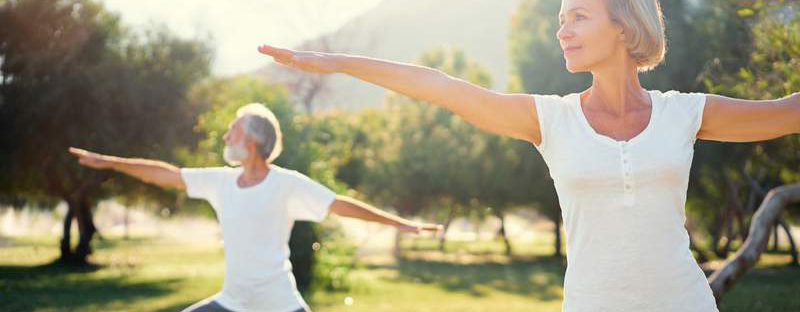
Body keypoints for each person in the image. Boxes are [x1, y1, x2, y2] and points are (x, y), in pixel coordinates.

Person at [256, 0, 799, 310]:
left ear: (623, 24)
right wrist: (337, 62)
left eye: (578, 16)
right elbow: (439, 86)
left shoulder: (685, 113)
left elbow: (787, 110)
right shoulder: (551, 120)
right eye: (560, 19)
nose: (562, 30)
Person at [69, 103, 442, 312]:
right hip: (232, 303)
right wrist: (109, 162)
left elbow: (338, 205)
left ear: (251, 141)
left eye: (233, 129)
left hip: (280, 305)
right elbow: (164, 175)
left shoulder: (286, 184)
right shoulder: (221, 181)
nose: (226, 135)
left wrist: (401, 225)